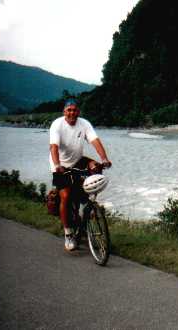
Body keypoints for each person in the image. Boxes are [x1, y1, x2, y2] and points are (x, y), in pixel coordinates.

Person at [49, 99, 112, 251]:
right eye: (69, 110)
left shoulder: (84, 123)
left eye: (75, 110)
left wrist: (104, 159)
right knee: (65, 196)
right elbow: (53, 147)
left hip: (78, 161)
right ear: (64, 112)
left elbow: (95, 141)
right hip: (60, 165)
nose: (72, 113)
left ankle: (88, 211)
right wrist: (57, 165)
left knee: (95, 170)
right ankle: (68, 233)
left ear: (79, 112)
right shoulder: (57, 124)